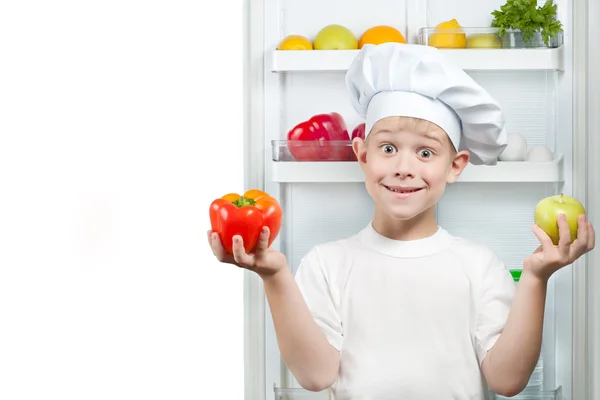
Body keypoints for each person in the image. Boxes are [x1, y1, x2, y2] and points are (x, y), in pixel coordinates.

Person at [208, 43, 595, 399]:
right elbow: (316, 375)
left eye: (426, 153)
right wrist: (275, 277)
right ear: (362, 155)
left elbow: (507, 381)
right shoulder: (327, 264)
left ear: (456, 166)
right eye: (388, 148)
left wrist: (535, 277)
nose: (404, 168)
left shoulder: (479, 265)